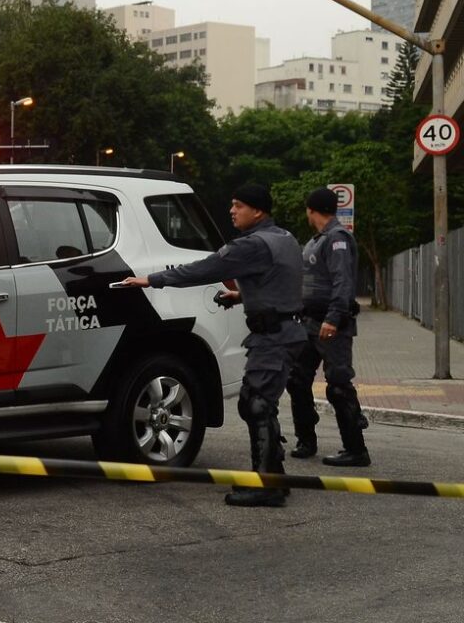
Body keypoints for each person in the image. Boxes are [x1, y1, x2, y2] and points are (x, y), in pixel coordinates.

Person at [121, 185, 305, 508]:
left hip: (273, 336)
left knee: (257, 404)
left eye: (238, 206)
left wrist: (151, 280)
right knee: (259, 403)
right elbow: (278, 280)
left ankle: (266, 486)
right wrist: (241, 296)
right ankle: (275, 477)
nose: (231, 211)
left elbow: (204, 269)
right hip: (286, 330)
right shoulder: (285, 238)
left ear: (257, 211)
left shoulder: (251, 245)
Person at [288, 188, 370, 467]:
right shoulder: (317, 240)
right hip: (309, 322)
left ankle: (356, 450)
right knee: (297, 378)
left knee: (338, 385)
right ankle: (306, 440)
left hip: (331, 324)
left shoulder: (337, 239)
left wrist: (333, 318)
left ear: (311, 209)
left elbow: (343, 282)